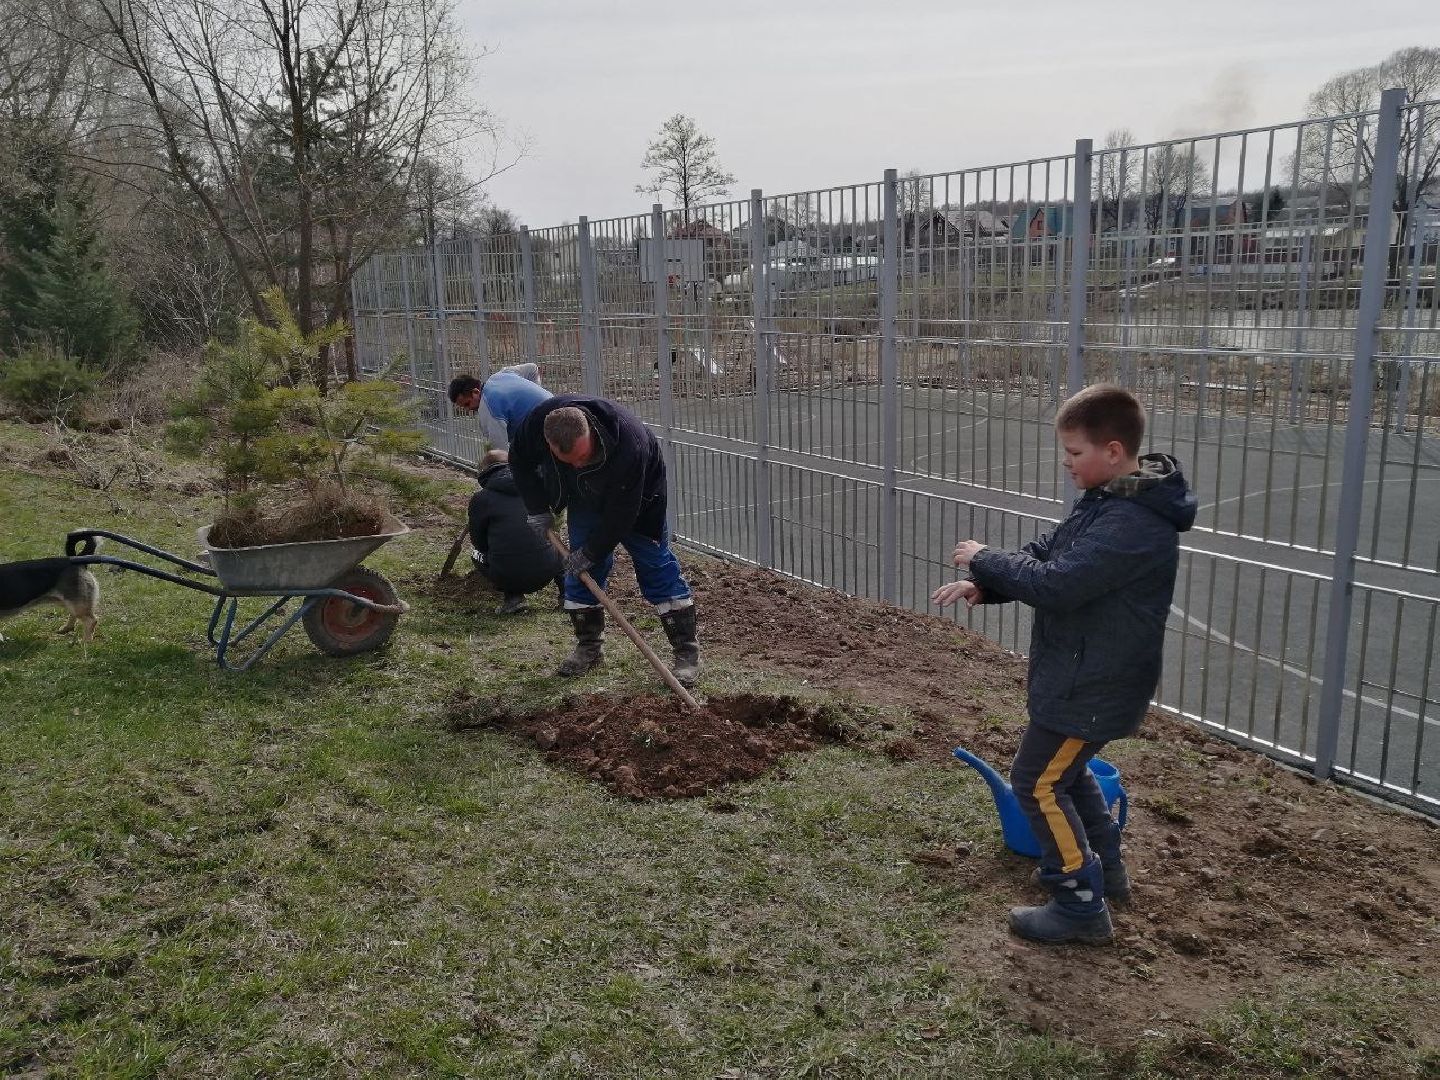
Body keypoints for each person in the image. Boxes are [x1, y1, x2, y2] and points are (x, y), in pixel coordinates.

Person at [932, 384, 1197, 945]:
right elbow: (1051, 553)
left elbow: (1062, 584)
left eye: (1076, 453)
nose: (1067, 463)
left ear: (1115, 451)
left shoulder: (1133, 523)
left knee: (1037, 783)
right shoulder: (1113, 500)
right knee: (1064, 776)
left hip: (1095, 682)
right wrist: (986, 583)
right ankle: (1107, 870)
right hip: (1081, 673)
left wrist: (985, 556)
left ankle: (1078, 899)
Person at [505, 395, 699, 687]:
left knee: (656, 567)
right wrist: (537, 508)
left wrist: (593, 550)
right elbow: (519, 461)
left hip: (639, 501)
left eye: (584, 457)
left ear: (590, 433)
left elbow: (622, 516)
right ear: (549, 445)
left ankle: (686, 653)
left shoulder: (628, 441)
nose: (579, 464)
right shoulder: (536, 425)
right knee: (581, 574)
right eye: (571, 461)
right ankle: (589, 647)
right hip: (584, 498)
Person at [467, 449, 564, 615]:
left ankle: (513, 598)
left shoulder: (481, 499)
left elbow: (478, 541)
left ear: (484, 472)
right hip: (547, 568)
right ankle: (567, 596)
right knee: (559, 545)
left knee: (475, 553)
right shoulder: (536, 488)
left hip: (507, 574)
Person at [448, 364, 550, 449]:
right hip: (557, 406)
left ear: (475, 392)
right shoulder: (501, 374)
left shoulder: (487, 406)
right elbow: (532, 368)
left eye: (467, 404)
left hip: (544, 428)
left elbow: (500, 452)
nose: (468, 409)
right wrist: (536, 395)